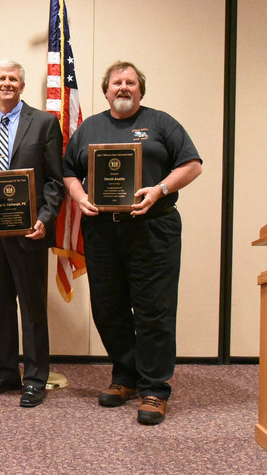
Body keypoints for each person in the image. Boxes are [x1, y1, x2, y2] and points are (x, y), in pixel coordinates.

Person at [62, 60, 202, 425]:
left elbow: (192, 164)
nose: (123, 88)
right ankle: (125, 376)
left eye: (130, 82)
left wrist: (160, 189)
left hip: (153, 229)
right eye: (116, 83)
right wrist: (79, 198)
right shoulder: (89, 127)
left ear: (140, 89)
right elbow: (67, 172)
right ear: (105, 90)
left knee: (154, 309)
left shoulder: (162, 123)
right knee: (108, 307)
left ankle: (155, 388)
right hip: (102, 232)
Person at [0, 60, 64, 407]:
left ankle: (35, 377)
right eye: (1, 79)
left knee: (32, 305)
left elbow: (56, 180)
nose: (6, 83)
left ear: (22, 87)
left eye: (13, 79)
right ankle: (8, 371)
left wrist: (45, 218)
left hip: (30, 233)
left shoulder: (44, 123)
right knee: (2, 303)